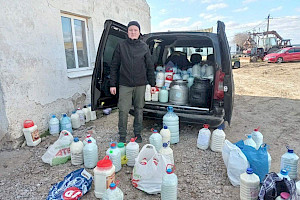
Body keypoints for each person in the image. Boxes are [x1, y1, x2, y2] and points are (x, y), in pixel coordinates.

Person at [110, 21, 156, 143]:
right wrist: (112, 84)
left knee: (139, 109)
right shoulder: (121, 46)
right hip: (124, 84)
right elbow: (114, 66)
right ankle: (122, 135)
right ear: (127, 32)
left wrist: (152, 84)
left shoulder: (144, 47)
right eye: (131, 30)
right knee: (123, 110)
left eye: (135, 30)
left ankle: (137, 134)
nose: (133, 32)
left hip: (140, 84)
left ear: (139, 32)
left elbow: (150, 66)